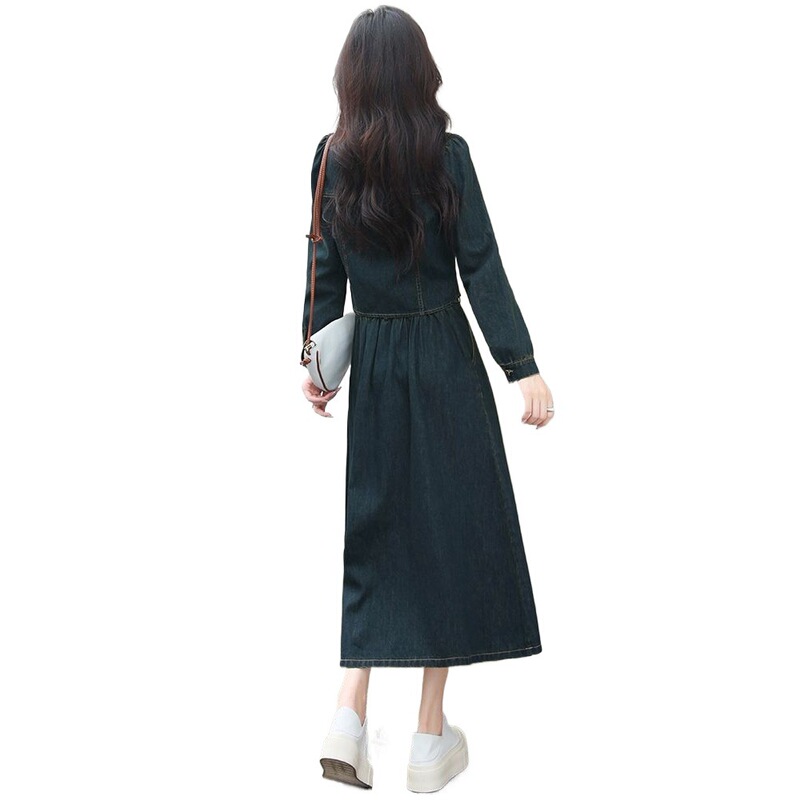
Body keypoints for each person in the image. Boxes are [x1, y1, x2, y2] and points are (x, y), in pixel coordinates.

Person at [299, 6, 555, 793]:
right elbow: (481, 265)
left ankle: (348, 711)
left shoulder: (330, 159)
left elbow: (322, 269)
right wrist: (522, 367)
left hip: (375, 362)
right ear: (420, 71)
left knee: (377, 528)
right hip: (444, 355)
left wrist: (316, 361)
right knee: (445, 532)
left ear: (351, 76)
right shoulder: (447, 156)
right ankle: (427, 732)